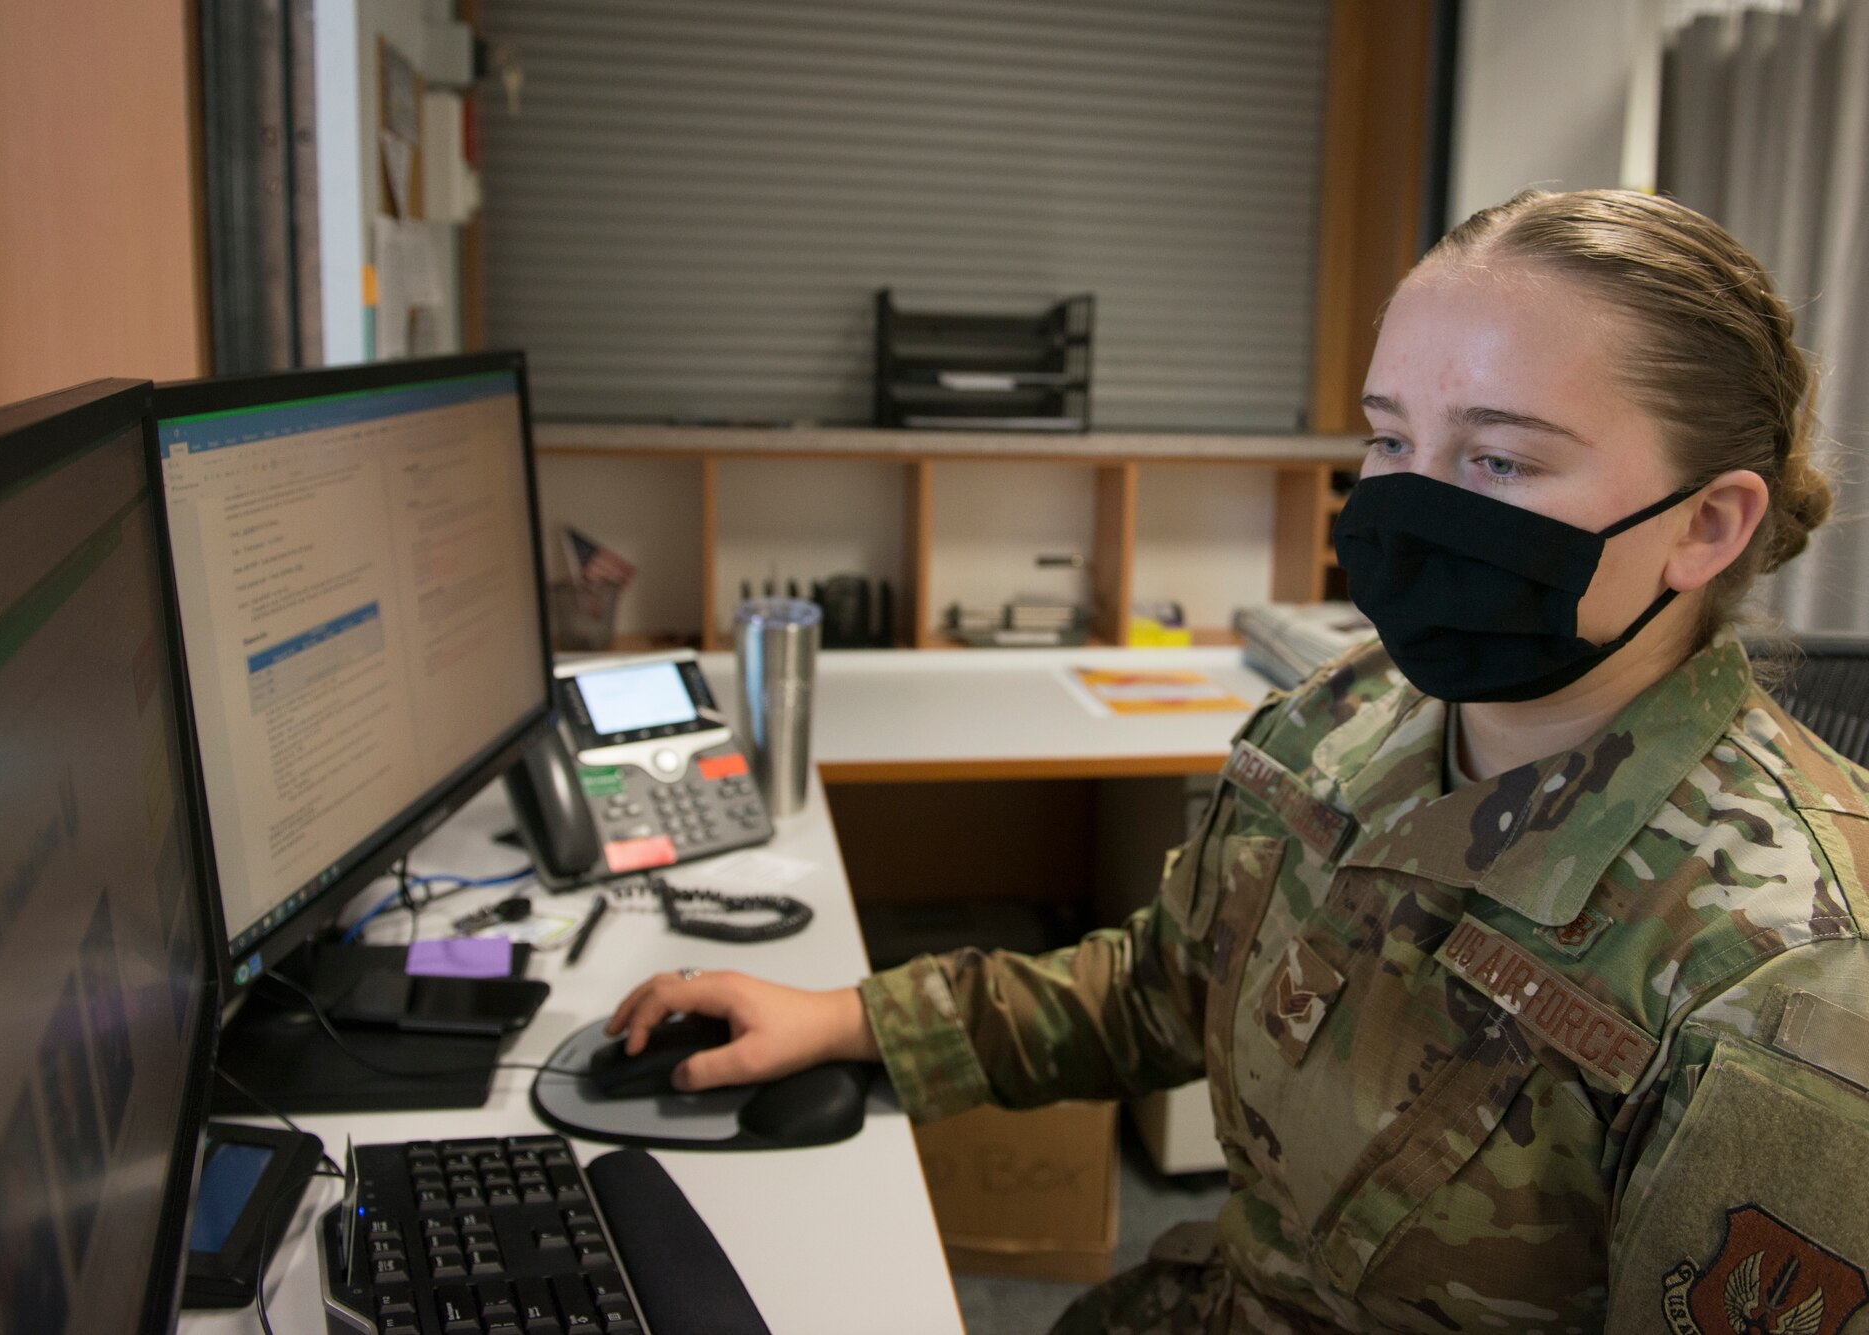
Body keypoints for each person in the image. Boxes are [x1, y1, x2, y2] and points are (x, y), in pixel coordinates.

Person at [608, 189, 1869, 1333]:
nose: (1407, 505)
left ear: (1705, 524)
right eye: (1388, 442)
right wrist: (849, 1019)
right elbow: (1166, 985)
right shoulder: (1347, 715)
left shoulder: (1782, 982)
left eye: (1495, 460)